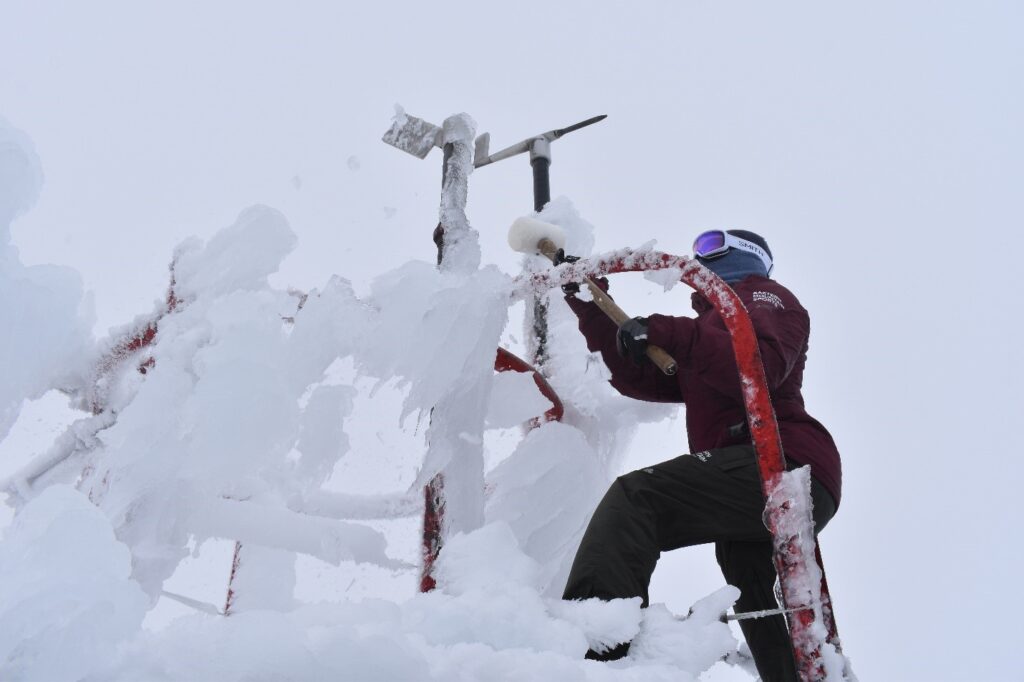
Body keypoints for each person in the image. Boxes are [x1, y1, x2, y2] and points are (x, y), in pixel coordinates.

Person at [560, 229, 841, 681]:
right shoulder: (712, 326)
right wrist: (592, 308)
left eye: (710, 247)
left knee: (638, 497)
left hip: (780, 460)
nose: (698, 259)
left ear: (745, 255)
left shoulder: (760, 294)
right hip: (753, 475)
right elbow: (644, 377)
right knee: (755, 590)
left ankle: (596, 647)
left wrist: (670, 332)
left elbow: (758, 368)